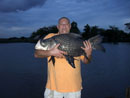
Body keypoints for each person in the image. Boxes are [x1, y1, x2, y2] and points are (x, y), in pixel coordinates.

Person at [34, 17, 92, 98]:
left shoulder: (76, 40)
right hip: (53, 87)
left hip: (74, 88)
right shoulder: (50, 37)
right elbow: (36, 54)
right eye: (61, 24)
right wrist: (51, 52)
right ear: (58, 26)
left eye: (66, 24)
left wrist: (88, 54)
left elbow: (86, 61)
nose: (64, 26)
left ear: (70, 26)